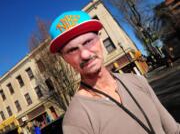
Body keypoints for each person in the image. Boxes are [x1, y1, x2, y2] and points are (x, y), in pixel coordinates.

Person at [49, 10, 180, 134]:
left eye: (88, 41)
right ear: (64, 58)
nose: (84, 54)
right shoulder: (76, 120)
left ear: (100, 39)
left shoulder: (137, 81)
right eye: (72, 50)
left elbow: (173, 130)